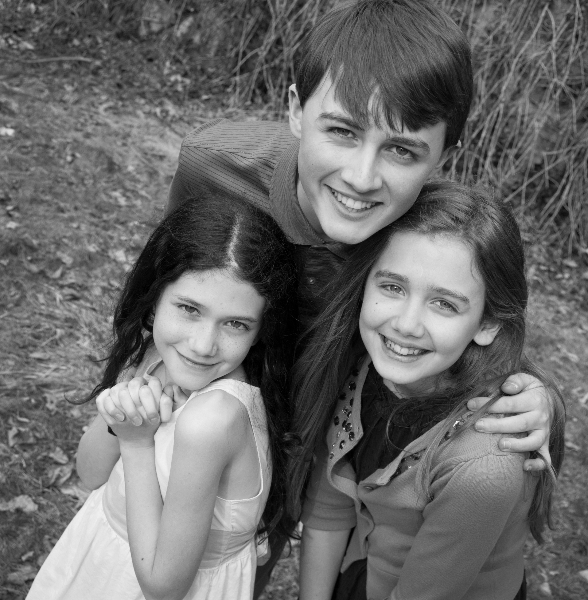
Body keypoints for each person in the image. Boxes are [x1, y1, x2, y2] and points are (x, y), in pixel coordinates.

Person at [169, 0, 552, 593]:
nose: (362, 178)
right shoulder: (213, 169)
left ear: (443, 155)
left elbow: (470, 326)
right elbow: (171, 286)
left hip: (311, 454)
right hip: (198, 410)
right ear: (295, 108)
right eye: (342, 131)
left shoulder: (417, 232)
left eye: (402, 150)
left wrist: (538, 398)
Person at [293, 181, 566, 600]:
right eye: (393, 287)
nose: (405, 324)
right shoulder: (363, 366)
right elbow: (329, 505)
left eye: (444, 304)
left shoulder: (483, 466)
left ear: (488, 324)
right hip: (363, 570)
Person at [26, 194, 298, 600]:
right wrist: (120, 413)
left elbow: (163, 585)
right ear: (154, 300)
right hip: (100, 558)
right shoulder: (156, 356)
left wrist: (136, 443)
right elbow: (91, 474)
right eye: (189, 309)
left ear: (260, 331)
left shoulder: (213, 421)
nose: (202, 345)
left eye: (236, 324)